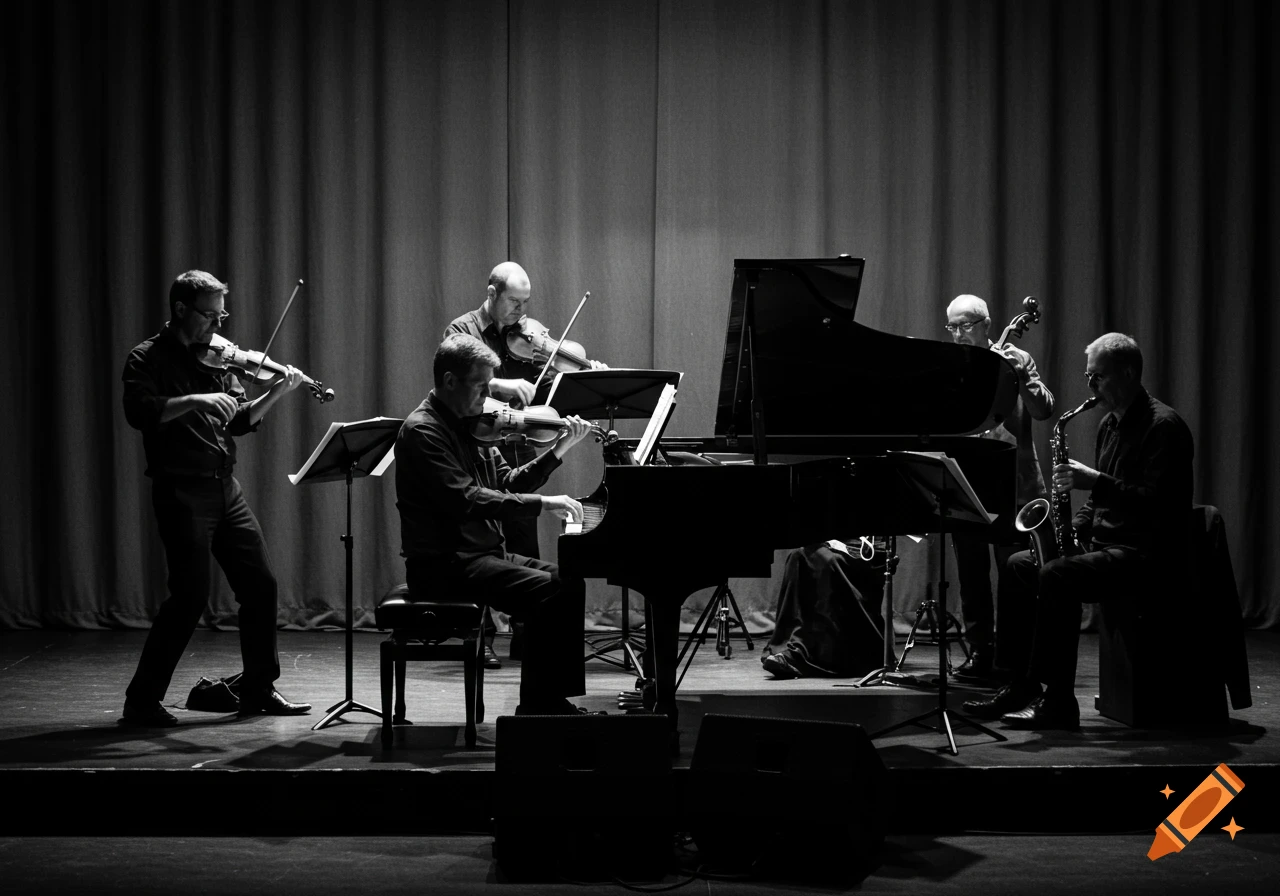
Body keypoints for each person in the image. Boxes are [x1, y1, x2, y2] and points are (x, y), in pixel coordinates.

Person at [963, 333, 1193, 729]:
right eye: (1088, 377)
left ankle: (1058, 700)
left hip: (1144, 552)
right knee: (1019, 564)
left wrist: (1096, 482)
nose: (1091, 387)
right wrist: (1070, 528)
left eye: (1098, 377)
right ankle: (1018, 683)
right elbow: (1096, 503)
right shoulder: (1109, 424)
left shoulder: (1163, 426)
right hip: (1106, 545)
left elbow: (1159, 503)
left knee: (1057, 574)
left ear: (1128, 373)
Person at [120, 270, 312, 726]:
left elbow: (239, 420)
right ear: (180, 309)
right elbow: (139, 412)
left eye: (221, 315)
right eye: (209, 315)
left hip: (225, 488)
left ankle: (258, 688)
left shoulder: (220, 358)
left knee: (261, 586)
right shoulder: (146, 358)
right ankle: (141, 702)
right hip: (181, 490)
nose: (217, 324)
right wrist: (196, 400)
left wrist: (275, 393)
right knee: (189, 597)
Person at [395, 333, 598, 714]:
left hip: (479, 555)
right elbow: (466, 499)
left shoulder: (471, 424)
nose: (488, 396)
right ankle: (538, 707)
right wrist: (543, 504)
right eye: (481, 386)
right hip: (444, 564)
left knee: (569, 581)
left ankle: (555, 699)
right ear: (450, 381)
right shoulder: (423, 431)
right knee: (547, 591)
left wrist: (559, 449)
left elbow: (507, 483)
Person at [444, 262, 605, 667]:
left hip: (519, 445)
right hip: (476, 448)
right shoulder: (462, 330)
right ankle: (479, 637)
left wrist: (589, 377)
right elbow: (456, 378)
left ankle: (526, 634)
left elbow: (549, 389)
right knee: (479, 542)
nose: (521, 311)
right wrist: (500, 384)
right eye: (514, 301)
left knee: (523, 541)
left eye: (525, 302)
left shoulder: (531, 339)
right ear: (492, 293)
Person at [944, 295, 1055, 678]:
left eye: (966, 325)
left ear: (987, 325)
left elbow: (1043, 409)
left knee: (1013, 573)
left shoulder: (1017, 359)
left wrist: (1018, 377)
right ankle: (980, 652)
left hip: (1012, 484)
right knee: (971, 574)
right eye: (953, 326)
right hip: (967, 482)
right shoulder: (951, 366)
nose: (959, 333)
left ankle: (1013, 657)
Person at [761, 539, 887, 679]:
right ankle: (792, 647)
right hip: (832, 545)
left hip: (864, 550)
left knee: (825, 560)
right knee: (797, 556)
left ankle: (822, 655)